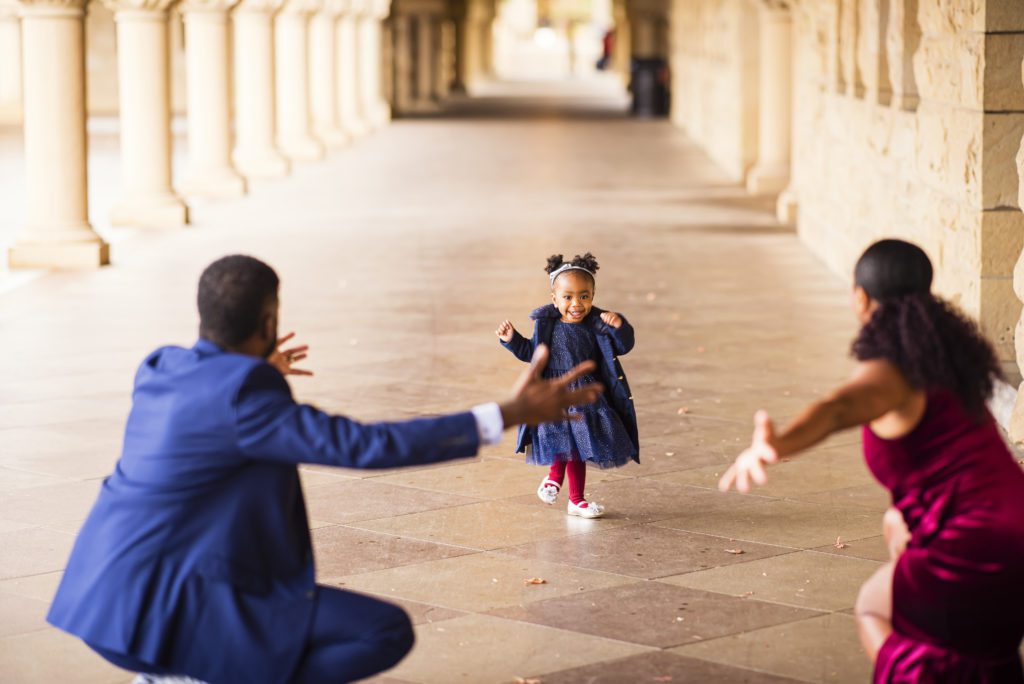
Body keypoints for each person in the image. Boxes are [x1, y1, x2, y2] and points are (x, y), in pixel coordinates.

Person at [46, 254, 604, 684]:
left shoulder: (162, 366)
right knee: (382, 632)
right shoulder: (245, 397)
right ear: (269, 320)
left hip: (102, 594)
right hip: (165, 609)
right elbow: (365, 445)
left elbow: (215, 411)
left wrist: (254, 369)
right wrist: (506, 413)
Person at [719, 239, 1024, 682]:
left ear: (860, 297)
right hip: (1011, 523)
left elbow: (839, 407)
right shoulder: (943, 359)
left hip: (976, 538)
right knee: (973, 645)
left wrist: (778, 443)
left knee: (893, 625)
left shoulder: (892, 370)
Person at [496, 252, 638, 519]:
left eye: (584, 296)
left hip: (585, 397)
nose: (577, 303)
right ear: (554, 299)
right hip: (554, 393)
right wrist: (512, 340)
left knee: (578, 446)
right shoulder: (547, 325)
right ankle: (556, 481)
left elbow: (622, 346)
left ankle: (574, 498)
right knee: (562, 441)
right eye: (568, 297)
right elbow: (532, 352)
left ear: (593, 296)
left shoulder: (597, 324)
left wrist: (619, 326)